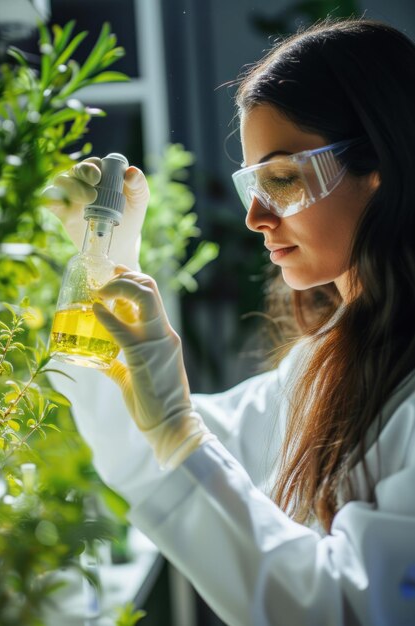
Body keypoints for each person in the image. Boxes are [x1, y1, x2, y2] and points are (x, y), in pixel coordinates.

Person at [48, 18, 415, 626]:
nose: (255, 217)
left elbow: (348, 610)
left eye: (281, 179)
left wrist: (178, 432)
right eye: (253, 183)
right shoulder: (324, 362)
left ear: (381, 163)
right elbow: (152, 457)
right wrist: (103, 262)